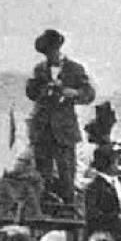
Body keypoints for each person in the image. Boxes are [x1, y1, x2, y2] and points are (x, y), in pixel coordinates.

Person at [25, 29, 96, 204]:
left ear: (58, 49)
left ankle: (69, 208)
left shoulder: (75, 69)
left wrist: (74, 93)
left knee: (67, 174)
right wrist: (44, 89)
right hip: (42, 130)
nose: (50, 56)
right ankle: (44, 209)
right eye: (46, 53)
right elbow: (31, 93)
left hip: (64, 131)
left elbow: (89, 94)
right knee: (43, 175)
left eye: (52, 51)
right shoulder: (39, 69)